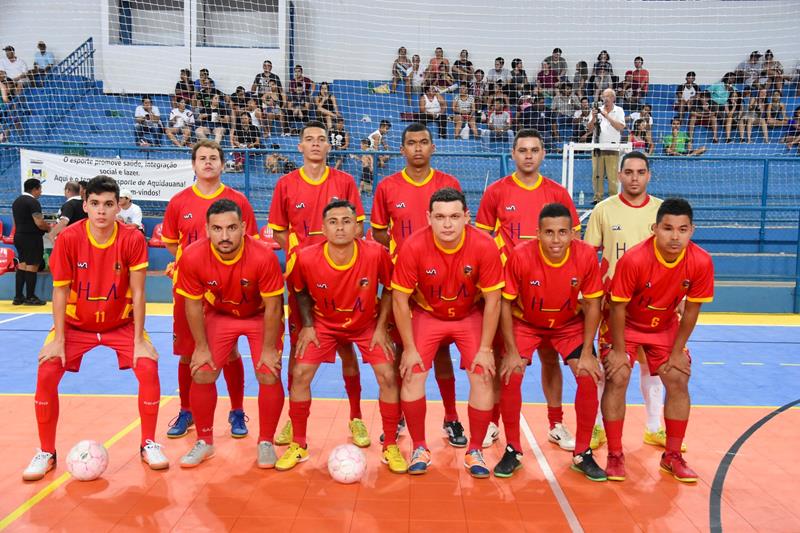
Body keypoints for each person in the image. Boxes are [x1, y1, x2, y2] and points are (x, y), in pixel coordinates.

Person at [23, 175, 168, 481]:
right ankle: (46, 452)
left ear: (119, 207)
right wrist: (59, 339)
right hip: (76, 325)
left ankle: (149, 443)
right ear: (85, 205)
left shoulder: (131, 239)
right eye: (95, 204)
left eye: (108, 204)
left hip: (121, 323)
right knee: (47, 369)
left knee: (148, 366)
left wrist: (141, 337)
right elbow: (59, 291)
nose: (101, 210)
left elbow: (139, 293)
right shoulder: (69, 239)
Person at [276, 199, 407, 473]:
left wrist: (382, 326)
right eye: (333, 222)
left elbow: (391, 288)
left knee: (387, 375)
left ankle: (391, 445)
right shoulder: (307, 257)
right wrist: (309, 325)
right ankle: (298, 443)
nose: (340, 228)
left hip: (366, 324)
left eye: (347, 221)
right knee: (300, 375)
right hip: (324, 324)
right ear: (323, 228)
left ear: (358, 227)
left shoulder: (375, 254)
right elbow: (298, 291)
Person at [476, 129, 581, 450]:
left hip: (549, 292)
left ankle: (556, 423)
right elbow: (482, 241)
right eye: (522, 150)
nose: (528, 155)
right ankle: (493, 422)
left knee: (551, 359)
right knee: (504, 359)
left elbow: (573, 240)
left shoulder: (557, 192)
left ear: (543, 154)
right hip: (508, 294)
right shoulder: (496, 192)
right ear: (513, 154)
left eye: (534, 150)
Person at [268, 121, 369, 448]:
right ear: (299, 146)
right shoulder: (285, 184)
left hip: (341, 276)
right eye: (309, 139)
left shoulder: (345, 181)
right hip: (303, 279)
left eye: (321, 140)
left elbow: (358, 229)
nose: (315, 144)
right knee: (299, 352)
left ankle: (356, 417)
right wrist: (300, 256)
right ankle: (293, 422)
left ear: (329, 146)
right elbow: (280, 231)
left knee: (347, 346)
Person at [392, 187, 504, 477]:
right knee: (413, 370)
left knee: (482, 372)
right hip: (428, 314)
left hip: (469, 314)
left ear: (467, 217)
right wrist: (409, 347)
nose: (447, 224)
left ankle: (475, 450)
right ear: (428, 217)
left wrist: (486, 348)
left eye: (455, 216)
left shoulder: (485, 245)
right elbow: (399, 300)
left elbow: (494, 300)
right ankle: (419, 446)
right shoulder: (413, 246)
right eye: (440, 217)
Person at [602, 198, 714, 482]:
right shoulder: (635, 259)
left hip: (664, 326)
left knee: (677, 378)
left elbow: (691, 309)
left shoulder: (701, 261)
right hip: (625, 323)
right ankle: (615, 454)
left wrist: (678, 351)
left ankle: (672, 456)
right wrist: (617, 350)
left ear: (692, 230)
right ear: (655, 229)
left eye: (682, 229)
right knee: (618, 376)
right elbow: (617, 307)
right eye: (667, 228)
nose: (675, 236)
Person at [370, 123, 467, 447]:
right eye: (411, 143)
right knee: (403, 353)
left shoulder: (448, 183)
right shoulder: (387, 186)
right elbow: (381, 234)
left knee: (441, 354)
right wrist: (403, 257)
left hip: (443, 284)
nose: (417, 149)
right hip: (404, 288)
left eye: (424, 142)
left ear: (432, 147)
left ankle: (451, 417)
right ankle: (397, 415)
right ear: (402, 149)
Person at [494, 203, 605, 480]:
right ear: (538, 233)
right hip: (526, 323)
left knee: (588, 374)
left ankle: (583, 452)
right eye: (549, 233)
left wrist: (589, 350)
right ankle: (512, 448)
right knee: (511, 373)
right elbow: (504, 304)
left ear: (573, 234)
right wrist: (509, 350)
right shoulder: (520, 256)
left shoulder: (587, 256)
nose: (556, 240)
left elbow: (593, 304)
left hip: (568, 325)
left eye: (563, 232)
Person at [175, 199, 285, 468]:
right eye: (217, 229)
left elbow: (274, 307)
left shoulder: (263, 256)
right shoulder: (192, 256)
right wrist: (200, 346)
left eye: (232, 228)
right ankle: (205, 441)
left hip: (259, 315)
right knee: (202, 369)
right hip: (221, 314)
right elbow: (192, 303)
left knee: (267, 371)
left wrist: (270, 349)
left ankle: (266, 442)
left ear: (244, 227)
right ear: (207, 229)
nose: (224, 236)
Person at [161, 140, 259, 440]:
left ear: (222, 164)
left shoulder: (237, 200)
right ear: (193, 164)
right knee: (188, 354)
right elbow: (170, 242)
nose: (207, 163)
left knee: (229, 352)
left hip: (226, 288)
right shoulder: (178, 201)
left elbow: (250, 240)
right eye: (202, 158)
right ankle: (187, 409)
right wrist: (190, 264)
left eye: (213, 158)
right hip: (189, 288)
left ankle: (237, 410)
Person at [584, 152, 679, 452]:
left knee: (653, 369)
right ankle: (598, 427)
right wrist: (590, 300)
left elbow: (677, 257)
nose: (634, 177)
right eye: (629, 172)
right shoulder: (603, 209)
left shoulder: (663, 212)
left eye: (640, 172)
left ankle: (654, 428)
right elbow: (588, 257)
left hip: (656, 303)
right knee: (610, 367)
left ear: (649, 175)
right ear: (620, 175)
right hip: (615, 305)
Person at [12, 178, 50, 306]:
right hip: (31, 238)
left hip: (19, 236)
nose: (41, 192)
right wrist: (49, 228)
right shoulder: (33, 202)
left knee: (22, 265)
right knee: (32, 266)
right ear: (34, 189)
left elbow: (14, 222)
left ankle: (18, 297)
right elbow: (39, 222)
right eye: (40, 189)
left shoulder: (16, 202)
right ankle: (30, 297)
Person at [587, 88, 625, 204]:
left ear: (613, 98)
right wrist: (594, 117)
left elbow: (621, 127)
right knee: (596, 175)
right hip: (597, 148)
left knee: (612, 176)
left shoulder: (619, 110)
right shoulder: (596, 110)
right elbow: (589, 129)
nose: (606, 99)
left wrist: (606, 116)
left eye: (608, 96)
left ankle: (613, 199)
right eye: (604, 96)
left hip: (612, 149)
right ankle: (597, 198)